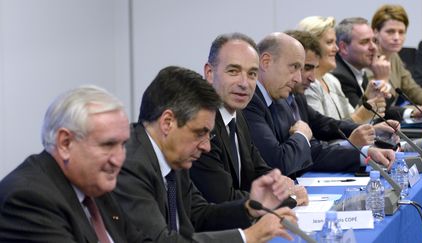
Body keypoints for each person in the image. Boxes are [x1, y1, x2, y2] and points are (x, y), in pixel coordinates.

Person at [113, 66, 297, 243]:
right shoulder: (129, 164)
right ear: (167, 122)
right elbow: (160, 240)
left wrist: (250, 208)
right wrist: (248, 237)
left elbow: (198, 215)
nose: (207, 147)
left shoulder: (174, 156)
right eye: (200, 133)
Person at [0, 85, 152, 242]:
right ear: (65, 143)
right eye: (108, 145)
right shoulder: (29, 198)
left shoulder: (95, 187)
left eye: (123, 145)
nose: (119, 159)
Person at [243, 32, 395, 176]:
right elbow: (278, 163)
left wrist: (365, 154)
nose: (298, 78)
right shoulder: (250, 102)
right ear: (266, 62)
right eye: (294, 67)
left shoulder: (279, 98)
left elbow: (313, 150)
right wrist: (302, 135)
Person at [189, 33, 308, 206]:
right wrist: (287, 199)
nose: (245, 83)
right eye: (233, 71)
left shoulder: (238, 114)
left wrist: (281, 183)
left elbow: (257, 168)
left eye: (252, 74)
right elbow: (223, 198)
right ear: (209, 73)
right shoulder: (201, 126)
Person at [287, 30, 395, 148]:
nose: (336, 48)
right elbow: (313, 146)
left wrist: (371, 130)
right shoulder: (299, 91)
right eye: (329, 42)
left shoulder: (329, 82)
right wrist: (351, 142)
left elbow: (326, 125)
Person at [297, 16, 386, 123]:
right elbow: (323, 134)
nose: (337, 48)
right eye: (330, 42)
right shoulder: (307, 85)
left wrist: (367, 98)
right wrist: (361, 116)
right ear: (311, 47)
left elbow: (351, 118)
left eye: (335, 42)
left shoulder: (332, 80)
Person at [332, 17, 400, 119]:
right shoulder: (340, 76)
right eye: (364, 42)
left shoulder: (359, 70)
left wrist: (411, 112)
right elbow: (365, 116)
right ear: (344, 48)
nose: (373, 47)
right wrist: (382, 81)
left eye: (374, 41)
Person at [372, 4, 422, 118]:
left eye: (401, 32)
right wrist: (414, 110)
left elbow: (413, 89)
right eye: (390, 31)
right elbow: (376, 105)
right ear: (375, 31)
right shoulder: (368, 59)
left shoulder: (393, 56)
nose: (396, 37)